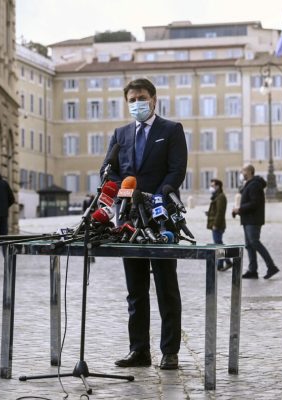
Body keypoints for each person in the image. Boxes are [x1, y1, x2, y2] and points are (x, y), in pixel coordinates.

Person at [100, 78, 187, 370]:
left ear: (153, 100)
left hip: (161, 217)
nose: (137, 103)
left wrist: (154, 198)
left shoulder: (171, 130)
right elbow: (111, 172)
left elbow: (176, 171)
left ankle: (169, 352)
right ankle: (139, 350)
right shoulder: (120, 134)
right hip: (128, 219)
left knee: (166, 286)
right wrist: (117, 188)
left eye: (142, 97)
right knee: (136, 290)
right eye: (132, 99)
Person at [232, 164, 279, 280]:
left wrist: (240, 209)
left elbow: (254, 203)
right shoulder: (249, 185)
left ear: (249, 172)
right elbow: (249, 202)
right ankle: (253, 270)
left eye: (243, 170)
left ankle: (271, 266)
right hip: (248, 219)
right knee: (249, 245)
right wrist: (238, 211)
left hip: (253, 220)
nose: (241, 173)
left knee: (255, 243)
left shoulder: (254, 185)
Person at [207, 178, 232, 271]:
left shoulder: (221, 196)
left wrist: (216, 224)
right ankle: (221, 264)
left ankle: (227, 262)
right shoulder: (217, 196)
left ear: (218, 186)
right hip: (216, 224)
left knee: (218, 244)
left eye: (213, 186)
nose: (211, 187)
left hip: (218, 225)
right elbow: (216, 210)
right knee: (218, 244)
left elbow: (220, 212)